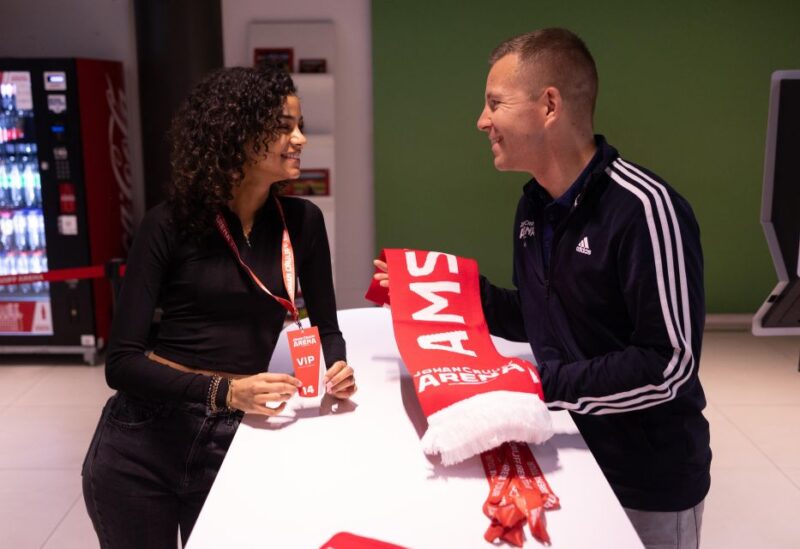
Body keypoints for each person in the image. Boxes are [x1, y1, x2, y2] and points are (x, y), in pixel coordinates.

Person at [374, 28, 710, 549]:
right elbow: (539, 316)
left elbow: (669, 366)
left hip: (646, 481)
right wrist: (436, 288)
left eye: (495, 104)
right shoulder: (533, 205)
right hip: (565, 455)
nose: (482, 121)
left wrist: (540, 385)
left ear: (548, 105)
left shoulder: (644, 208)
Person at [82, 66, 356, 549]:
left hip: (233, 444)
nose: (300, 139)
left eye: (300, 125)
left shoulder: (303, 222)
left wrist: (337, 365)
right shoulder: (168, 224)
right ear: (238, 134)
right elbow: (122, 364)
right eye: (284, 126)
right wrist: (226, 390)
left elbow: (326, 327)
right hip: (142, 446)